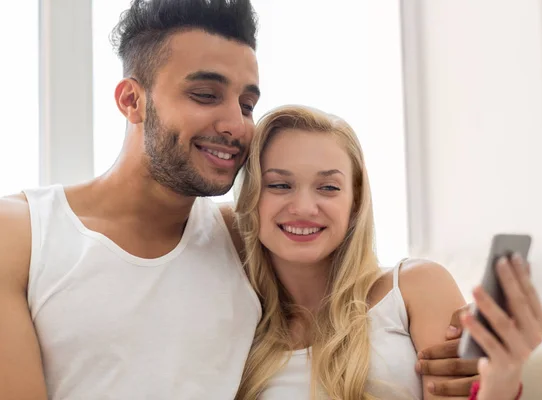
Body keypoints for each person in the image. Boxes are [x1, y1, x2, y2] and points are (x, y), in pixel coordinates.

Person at [0, 0, 476, 398]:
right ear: (131, 100)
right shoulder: (22, 235)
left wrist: (462, 357)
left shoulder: (242, 236)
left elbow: (353, 290)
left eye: (247, 104)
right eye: (206, 94)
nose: (236, 124)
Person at [232, 105, 542, 399]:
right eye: (279, 185)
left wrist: (501, 375)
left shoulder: (414, 287)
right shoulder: (237, 326)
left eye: (328, 187)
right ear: (250, 198)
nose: (303, 207)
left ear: (355, 204)